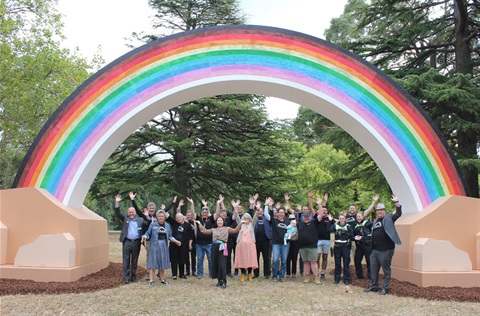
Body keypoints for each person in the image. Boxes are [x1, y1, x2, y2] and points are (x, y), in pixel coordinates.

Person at [364, 194, 402, 295]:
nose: (379, 211)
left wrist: (396, 202)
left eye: (381, 209)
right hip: (375, 250)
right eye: (378, 210)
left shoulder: (389, 218)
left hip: (386, 250)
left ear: (384, 211)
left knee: (386, 270)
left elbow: (398, 213)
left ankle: (385, 288)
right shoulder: (375, 221)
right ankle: (374, 286)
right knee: (373, 270)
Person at [196, 217, 246, 289]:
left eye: (221, 220)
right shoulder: (213, 230)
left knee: (222, 264)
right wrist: (199, 224)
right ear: (216, 222)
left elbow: (235, 230)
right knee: (216, 264)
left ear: (223, 222)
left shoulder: (227, 229)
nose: (219, 222)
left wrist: (241, 223)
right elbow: (203, 231)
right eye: (218, 220)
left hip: (223, 247)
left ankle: (224, 281)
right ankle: (219, 281)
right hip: (214, 247)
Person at [113, 194, 148, 284]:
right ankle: (126, 277)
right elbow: (118, 213)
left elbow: (148, 223)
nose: (131, 214)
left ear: (135, 212)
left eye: (132, 212)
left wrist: (146, 216)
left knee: (134, 260)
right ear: (128, 213)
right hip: (127, 242)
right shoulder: (125, 219)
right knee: (126, 260)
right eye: (129, 212)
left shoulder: (140, 220)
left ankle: (133, 276)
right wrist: (117, 202)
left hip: (136, 242)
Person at [141, 210, 173, 286]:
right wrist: (144, 237)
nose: (161, 217)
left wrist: (176, 241)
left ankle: (162, 279)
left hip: (164, 246)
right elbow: (147, 233)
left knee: (162, 262)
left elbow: (170, 236)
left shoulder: (167, 225)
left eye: (162, 216)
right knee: (153, 262)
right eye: (159, 216)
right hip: (154, 245)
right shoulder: (153, 225)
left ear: (164, 217)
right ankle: (151, 280)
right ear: (157, 217)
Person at [166, 205, 194, 280]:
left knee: (182, 259)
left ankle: (182, 274)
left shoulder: (188, 225)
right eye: (177, 218)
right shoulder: (174, 223)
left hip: (183, 245)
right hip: (174, 244)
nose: (178, 219)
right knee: (174, 259)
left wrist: (190, 244)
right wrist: (172, 203)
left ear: (183, 218)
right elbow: (166, 213)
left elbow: (191, 236)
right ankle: (174, 274)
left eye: (179, 217)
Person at [269, 196, 290, 282]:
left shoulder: (287, 222)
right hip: (276, 244)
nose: (281, 214)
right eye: (279, 212)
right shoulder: (274, 221)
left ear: (284, 214)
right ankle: (274, 275)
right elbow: (270, 214)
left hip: (285, 244)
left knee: (284, 261)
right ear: (277, 214)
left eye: (282, 212)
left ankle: (281, 276)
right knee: (275, 260)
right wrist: (270, 206)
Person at [314, 195, 335, 281]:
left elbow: (334, 226)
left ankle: (323, 273)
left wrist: (331, 220)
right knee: (317, 257)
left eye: (325, 210)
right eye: (323, 210)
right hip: (318, 240)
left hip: (326, 240)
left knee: (325, 257)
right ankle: (317, 272)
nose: (324, 212)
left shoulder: (329, 219)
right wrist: (324, 202)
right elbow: (317, 210)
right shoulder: (318, 218)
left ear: (327, 211)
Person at [298, 210, 322, 284]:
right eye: (305, 216)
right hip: (302, 246)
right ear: (303, 217)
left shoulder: (314, 223)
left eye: (308, 216)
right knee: (305, 262)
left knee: (313, 262)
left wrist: (319, 205)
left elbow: (320, 215)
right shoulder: (299, 224)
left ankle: (316, 277)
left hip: (312, 246)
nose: (306, 218)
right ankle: (307, 276)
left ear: (310, 217)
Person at [328, 213, 354, 285]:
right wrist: (331, 221)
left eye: (343, 218)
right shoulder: (336, 226)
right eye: (340, 219)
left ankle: (346, 279)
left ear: (345, 219)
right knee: (337, 263)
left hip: (345, 246)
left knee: (346, 263)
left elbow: (352, 236)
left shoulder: (348, 226)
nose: (342, 220)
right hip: (337, 247)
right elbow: (329, 230)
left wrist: (347, 235)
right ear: (338, 219)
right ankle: (337, 278)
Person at [234, 211, 258, 281]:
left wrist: (256, 210)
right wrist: (235, 209)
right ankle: (243, 274)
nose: (246, 219)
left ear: (250, 219)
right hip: (241, 246)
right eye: (245, 218)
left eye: (247, 218)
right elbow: (237, 218)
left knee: (250, 259)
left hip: (250, 246)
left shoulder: (252, 225)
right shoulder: (241, 225)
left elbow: (255, 218)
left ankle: (250, 274)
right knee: (242, 259)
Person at [252, 199, 272, 279]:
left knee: (266, 258)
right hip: (256, 242)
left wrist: (266, 205)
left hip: (266, 241)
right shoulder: (254, 219)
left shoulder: (267, 219)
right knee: (256, 258)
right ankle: (256, 274)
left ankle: (266, 274)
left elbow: (269, 214)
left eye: (261, 211)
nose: (260, 212)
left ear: (263, 212)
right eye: (258, 211)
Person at [195, 201, 214, 278]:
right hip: (199, 243)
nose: (204, 213)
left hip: (209, 243)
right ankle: (200, 274)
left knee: (210, 258)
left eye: (206, 212)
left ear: (208, 213)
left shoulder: (211, 219)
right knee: (200, 259)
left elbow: (217, 214)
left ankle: (211, 273)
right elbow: (193, 213)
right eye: (203, 212)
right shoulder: (198, 219)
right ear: (201, 213)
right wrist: (192, 203)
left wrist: (219, 203)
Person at [353, 211, 374, 280]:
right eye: (357, 217)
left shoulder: (368, 223)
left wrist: (364, 238)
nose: (358, 218)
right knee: (357, 260)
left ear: (363, 216)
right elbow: (352, 235)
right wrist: (355, 237)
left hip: (367, 245)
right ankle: (359, 276)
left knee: (369, 261)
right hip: (359, 246)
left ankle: (370, 277)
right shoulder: (355, 225)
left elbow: (372, 233)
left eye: (359, 216)